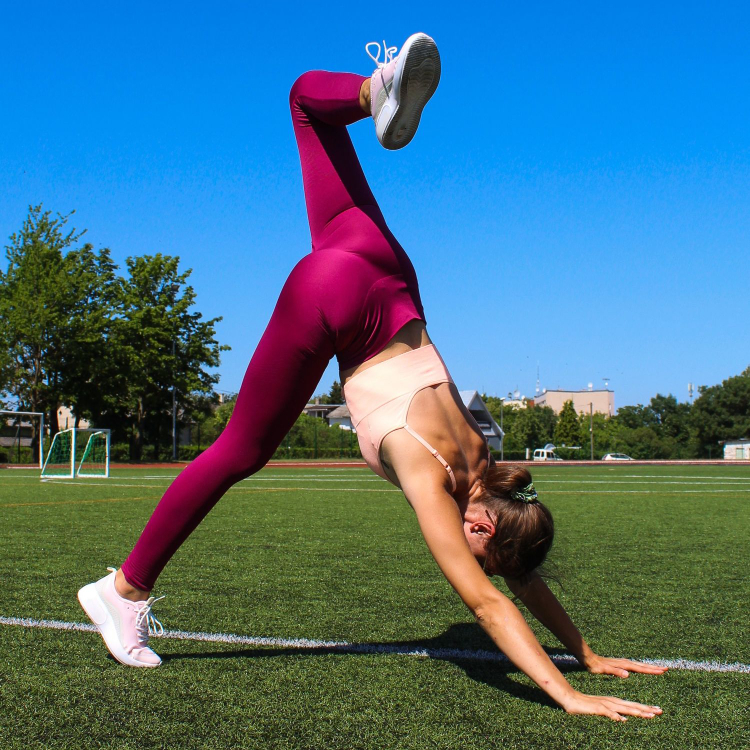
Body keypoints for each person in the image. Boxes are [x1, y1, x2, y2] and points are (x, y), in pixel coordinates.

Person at [78, 33, 666, 721]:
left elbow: (519, 568)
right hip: (336, 302)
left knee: (304, 100)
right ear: (479, 523)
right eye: (484, 551)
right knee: (240, 450)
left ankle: (372, 90)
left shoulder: (494, 469)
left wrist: (586, 650)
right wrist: (568, 692)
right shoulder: (432, 478)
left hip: (388, 275)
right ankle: (122, 591)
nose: (478, 562)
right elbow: (487, 601)